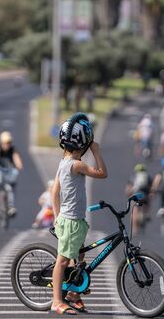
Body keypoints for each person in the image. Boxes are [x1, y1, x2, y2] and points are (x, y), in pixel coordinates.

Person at [51, 112, 107, 315]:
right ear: (83, 144)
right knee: (63, 261)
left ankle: (73, 294)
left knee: (79, 257)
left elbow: (54, 191)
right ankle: (57, 301)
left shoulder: (63, 163)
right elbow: (102, 173)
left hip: (75, 220)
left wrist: (56, 216)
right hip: (71, 221)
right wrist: (97, 151)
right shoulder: (77, 165)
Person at [0, 131, 23, 219]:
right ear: (2, 142)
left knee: (11, 188)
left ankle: (11, 207)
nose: (7, 144)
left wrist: (19, 166)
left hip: (9, 172)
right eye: (6, 142)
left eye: (9, 142)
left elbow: (17, 159)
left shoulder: (13, 149)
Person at [126, 164, 151, 236]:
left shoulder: (133, 177)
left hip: (136, 196)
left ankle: (134, 229)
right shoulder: (147, 177)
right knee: (147, 202)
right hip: (144, 196)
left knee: (134, 212)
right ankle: (146, 214)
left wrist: (128, 194)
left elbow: (128, 188)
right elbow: (151, 187)